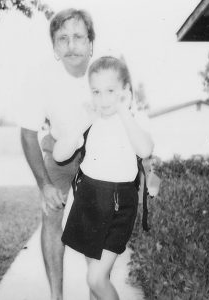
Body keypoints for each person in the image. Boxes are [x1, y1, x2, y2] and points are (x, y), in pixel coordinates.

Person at [53, 56, 154, 300]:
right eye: (96, 91)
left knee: (95, 279)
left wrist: (124, 111)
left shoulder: (133, 119)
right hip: (88, 198)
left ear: (125, 92)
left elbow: (145, 150)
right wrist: (82, 123)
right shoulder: (90, 120)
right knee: (97, 277)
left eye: (110, 91)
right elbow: (59, 155)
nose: (103, 99)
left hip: (119, 204)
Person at [19, 8, 95, 300]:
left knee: (95, 219)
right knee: (51, 213)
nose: (71, 44)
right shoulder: (40, 77)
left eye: (78, 37)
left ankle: (96, 291)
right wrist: (44, 185)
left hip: (96, 155)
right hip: (61, 150)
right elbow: (27, 133)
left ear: (91, 44)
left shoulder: (105, 71)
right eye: (62, 38)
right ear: (54, 47)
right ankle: (56, 296)